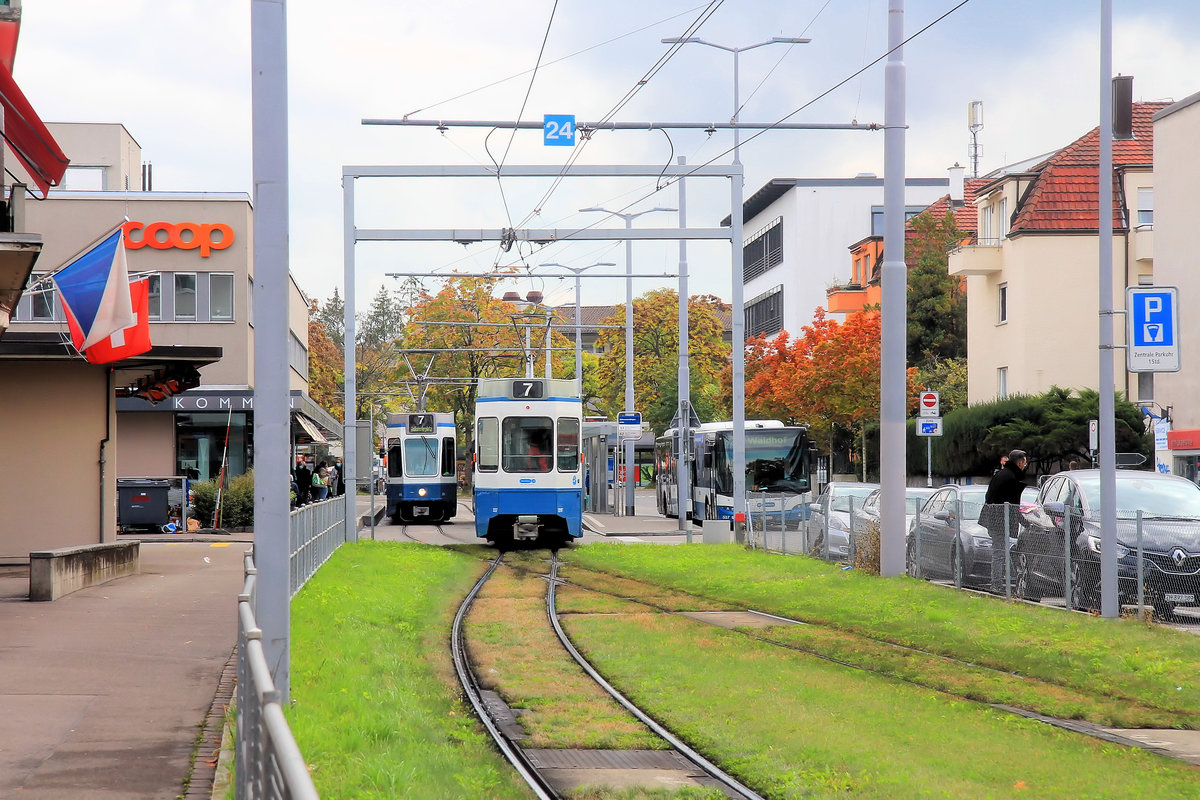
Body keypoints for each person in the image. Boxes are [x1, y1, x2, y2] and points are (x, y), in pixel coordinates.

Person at [983, 449, 1028, 594]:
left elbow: (989, 497)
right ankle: (996, 585)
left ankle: (1004, 583)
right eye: (1025, 462)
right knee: (999, 553)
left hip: (995, 518)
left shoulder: (1001, 475)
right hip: (1000, 521)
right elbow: (1013, 506)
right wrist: (1026, 523)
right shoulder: (1010, 478)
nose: (1025, 465)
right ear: (1020, 462)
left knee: (1001, 552)